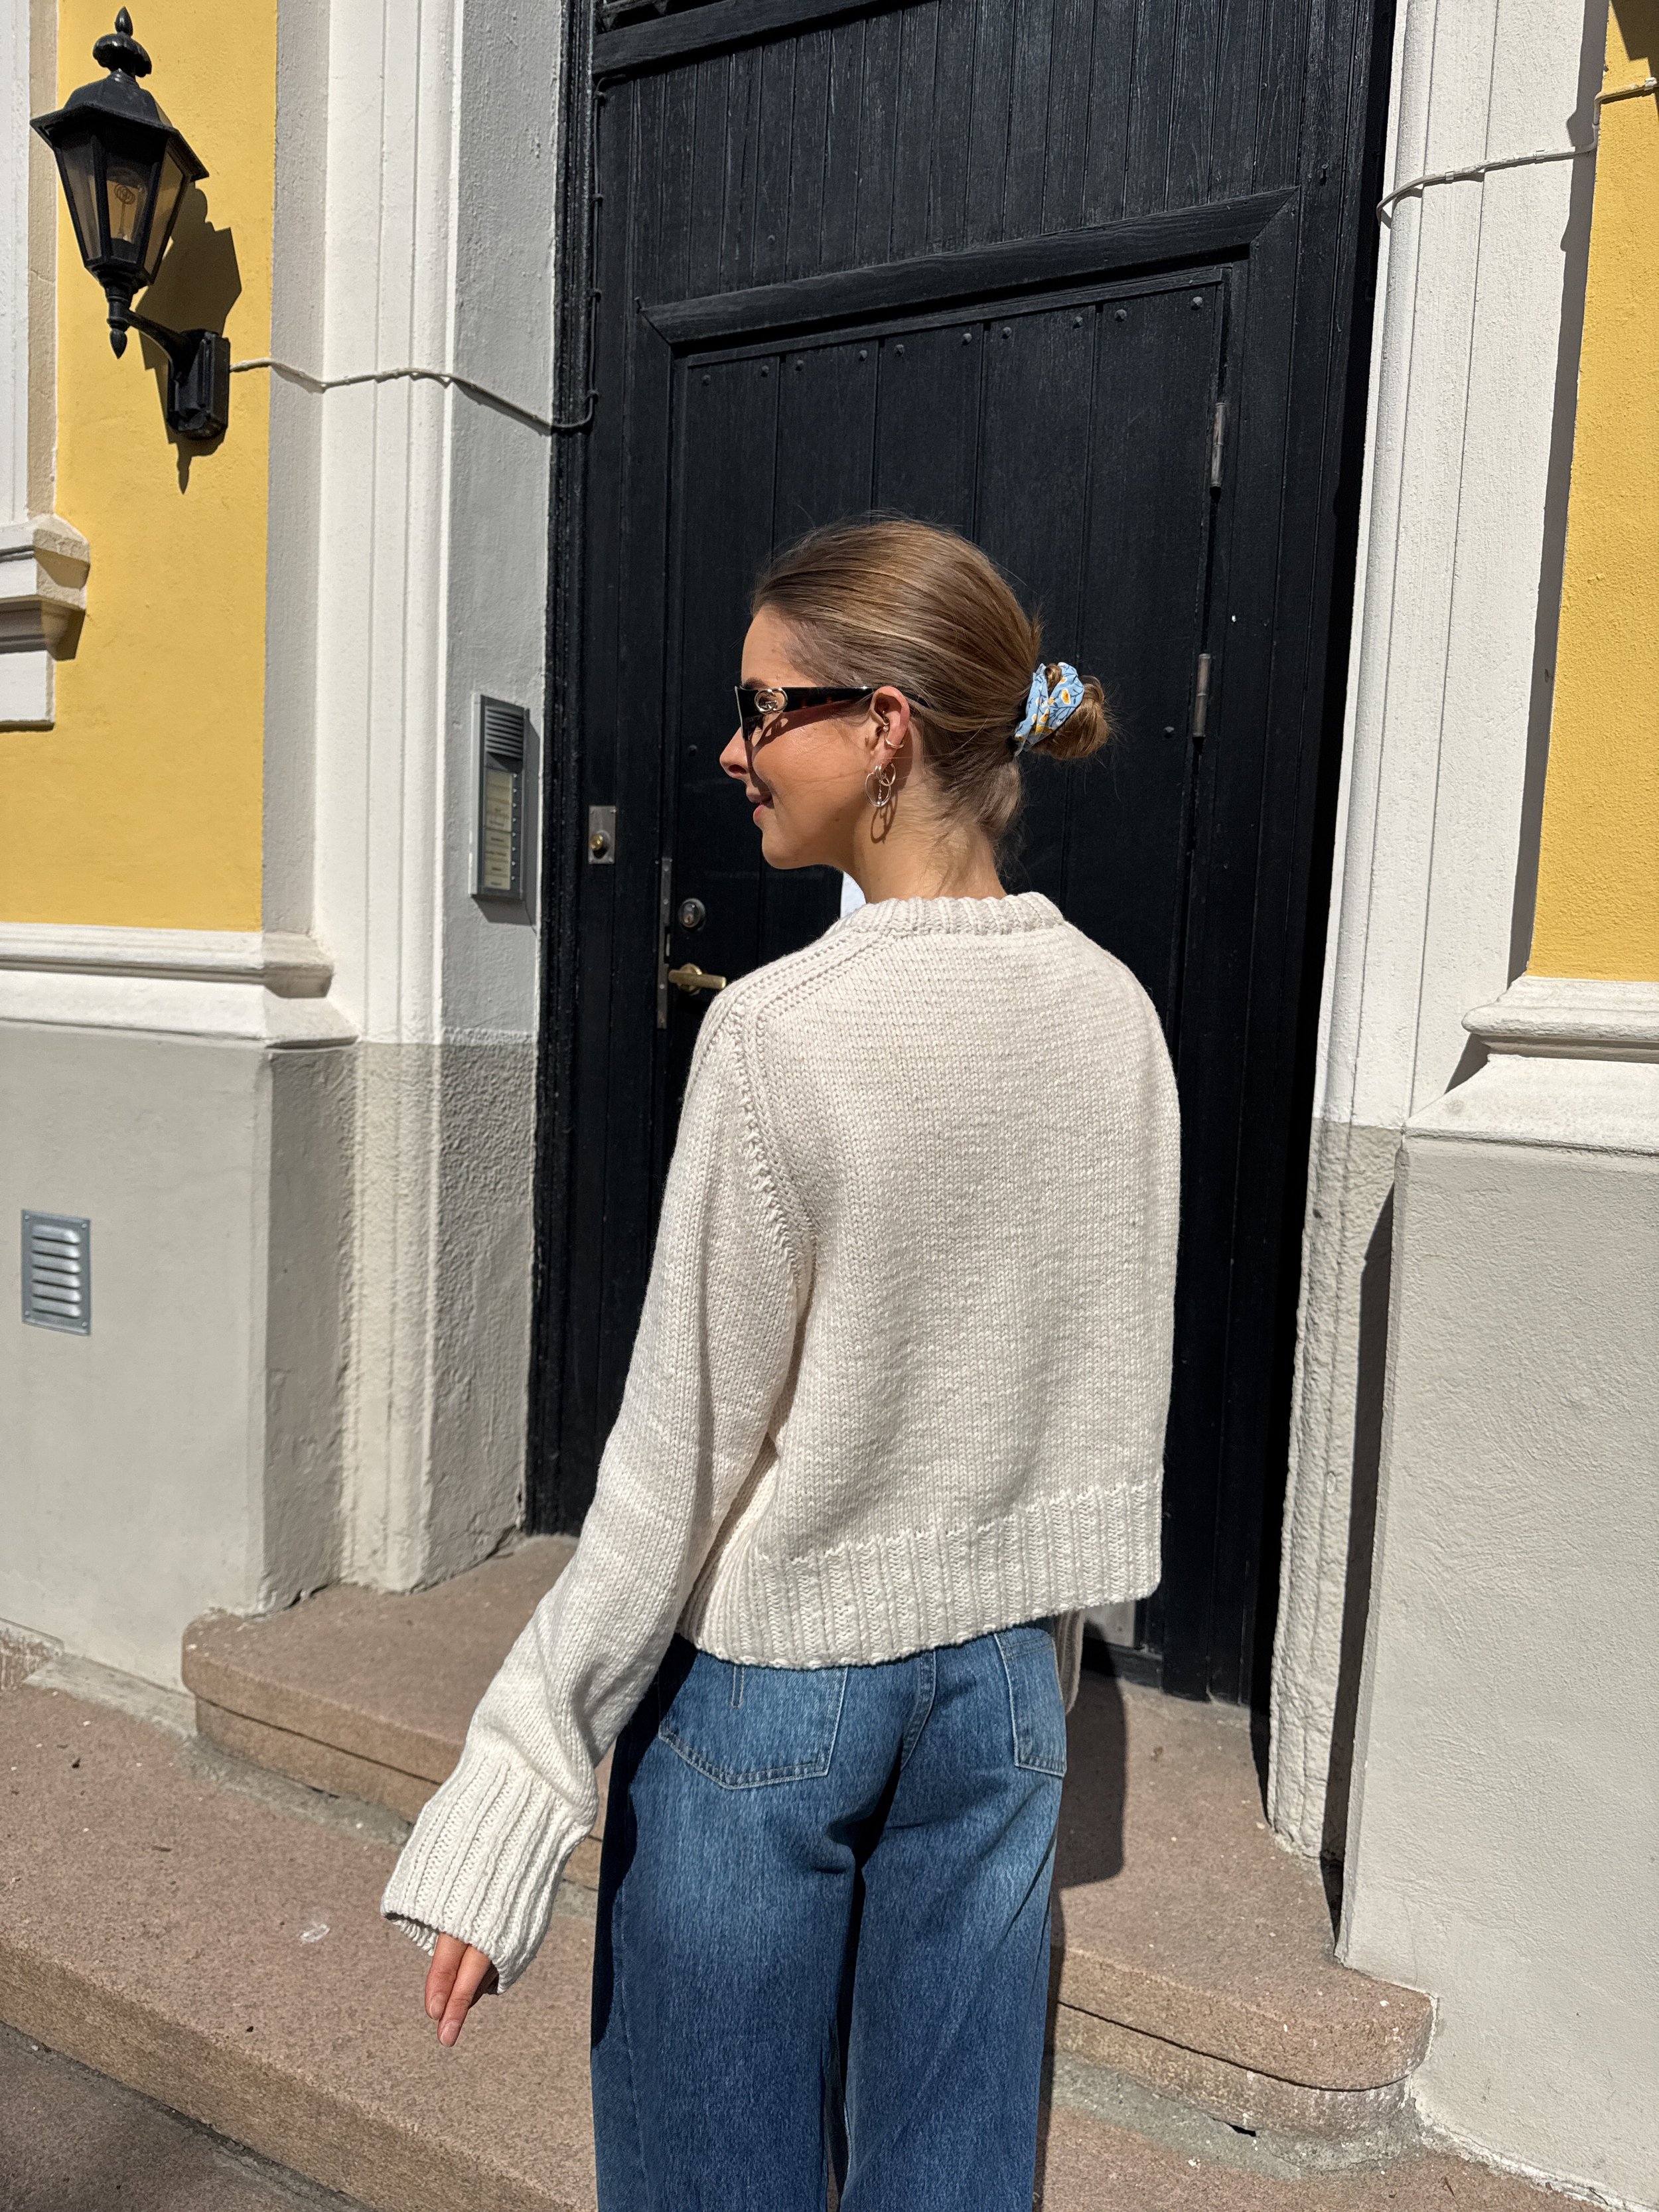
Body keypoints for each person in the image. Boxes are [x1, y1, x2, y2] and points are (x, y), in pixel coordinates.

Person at [381, 517, 1181, 2211]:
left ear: (883, 727)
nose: (733, 752)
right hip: (1002, 1696)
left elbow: (673, 1465)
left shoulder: (776, 1035)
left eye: (762, 708)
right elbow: (1090, 1385)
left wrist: (516, 1776)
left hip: (771, 1694)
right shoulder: (1115, 1014)